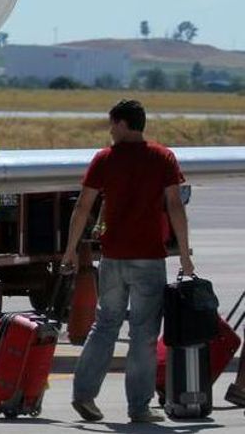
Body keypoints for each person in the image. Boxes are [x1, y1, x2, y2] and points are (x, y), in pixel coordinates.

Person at [61, 99, 192, 424]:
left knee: (105, 325)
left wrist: (70, 249)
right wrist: (186, 254)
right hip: (149, 258)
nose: (110, 130)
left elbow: (83, 207)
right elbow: (175, 206)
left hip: (114, 257)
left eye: (112, 124)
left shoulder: (105, 159)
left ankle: (84, 394)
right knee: (144, 334)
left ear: (123, 124)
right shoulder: (163, 157)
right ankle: (138, 407)